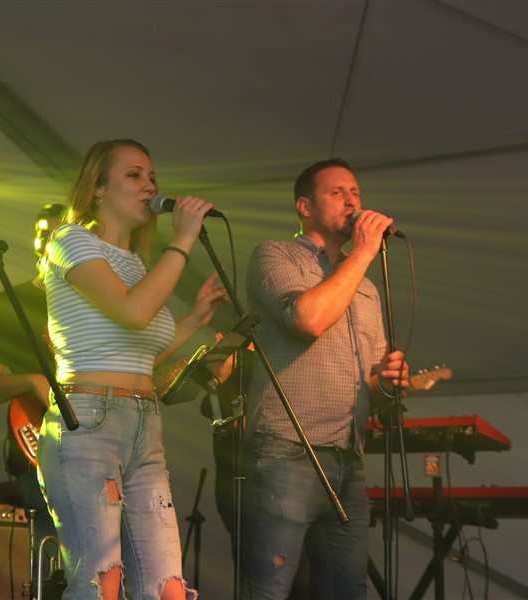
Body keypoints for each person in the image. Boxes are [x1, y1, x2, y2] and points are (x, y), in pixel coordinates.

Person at [37, 139, 227, 600]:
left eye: (152, 177)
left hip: (144, 422)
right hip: (89, 421)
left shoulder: (137, 263)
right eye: (134, 175)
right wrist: (182, 240)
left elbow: (139, 350)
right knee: (101, 581)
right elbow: (132, 313)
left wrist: (193, 320)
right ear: (98, 188)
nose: (149, 186)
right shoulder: (70, 239)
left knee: (168, 587)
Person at [241, 159, 409, 599]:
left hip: (347, 459)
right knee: (269, 589)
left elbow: (370, 385)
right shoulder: (275, 255)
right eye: (337, 193)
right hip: (284, 449)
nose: (352, 201)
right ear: (305, 207)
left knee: (347, 590)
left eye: (356, 192)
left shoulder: (366, 288)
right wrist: (364, 253)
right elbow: (308, 320)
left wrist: (386, 384)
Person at [0, 202, 65, 556]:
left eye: (58, 232)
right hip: (38, 445)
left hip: (95, 445)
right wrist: (31, 382)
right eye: (42, 232)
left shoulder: (96, 302)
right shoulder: (13, 303)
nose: (47, 239)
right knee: (52, 554)